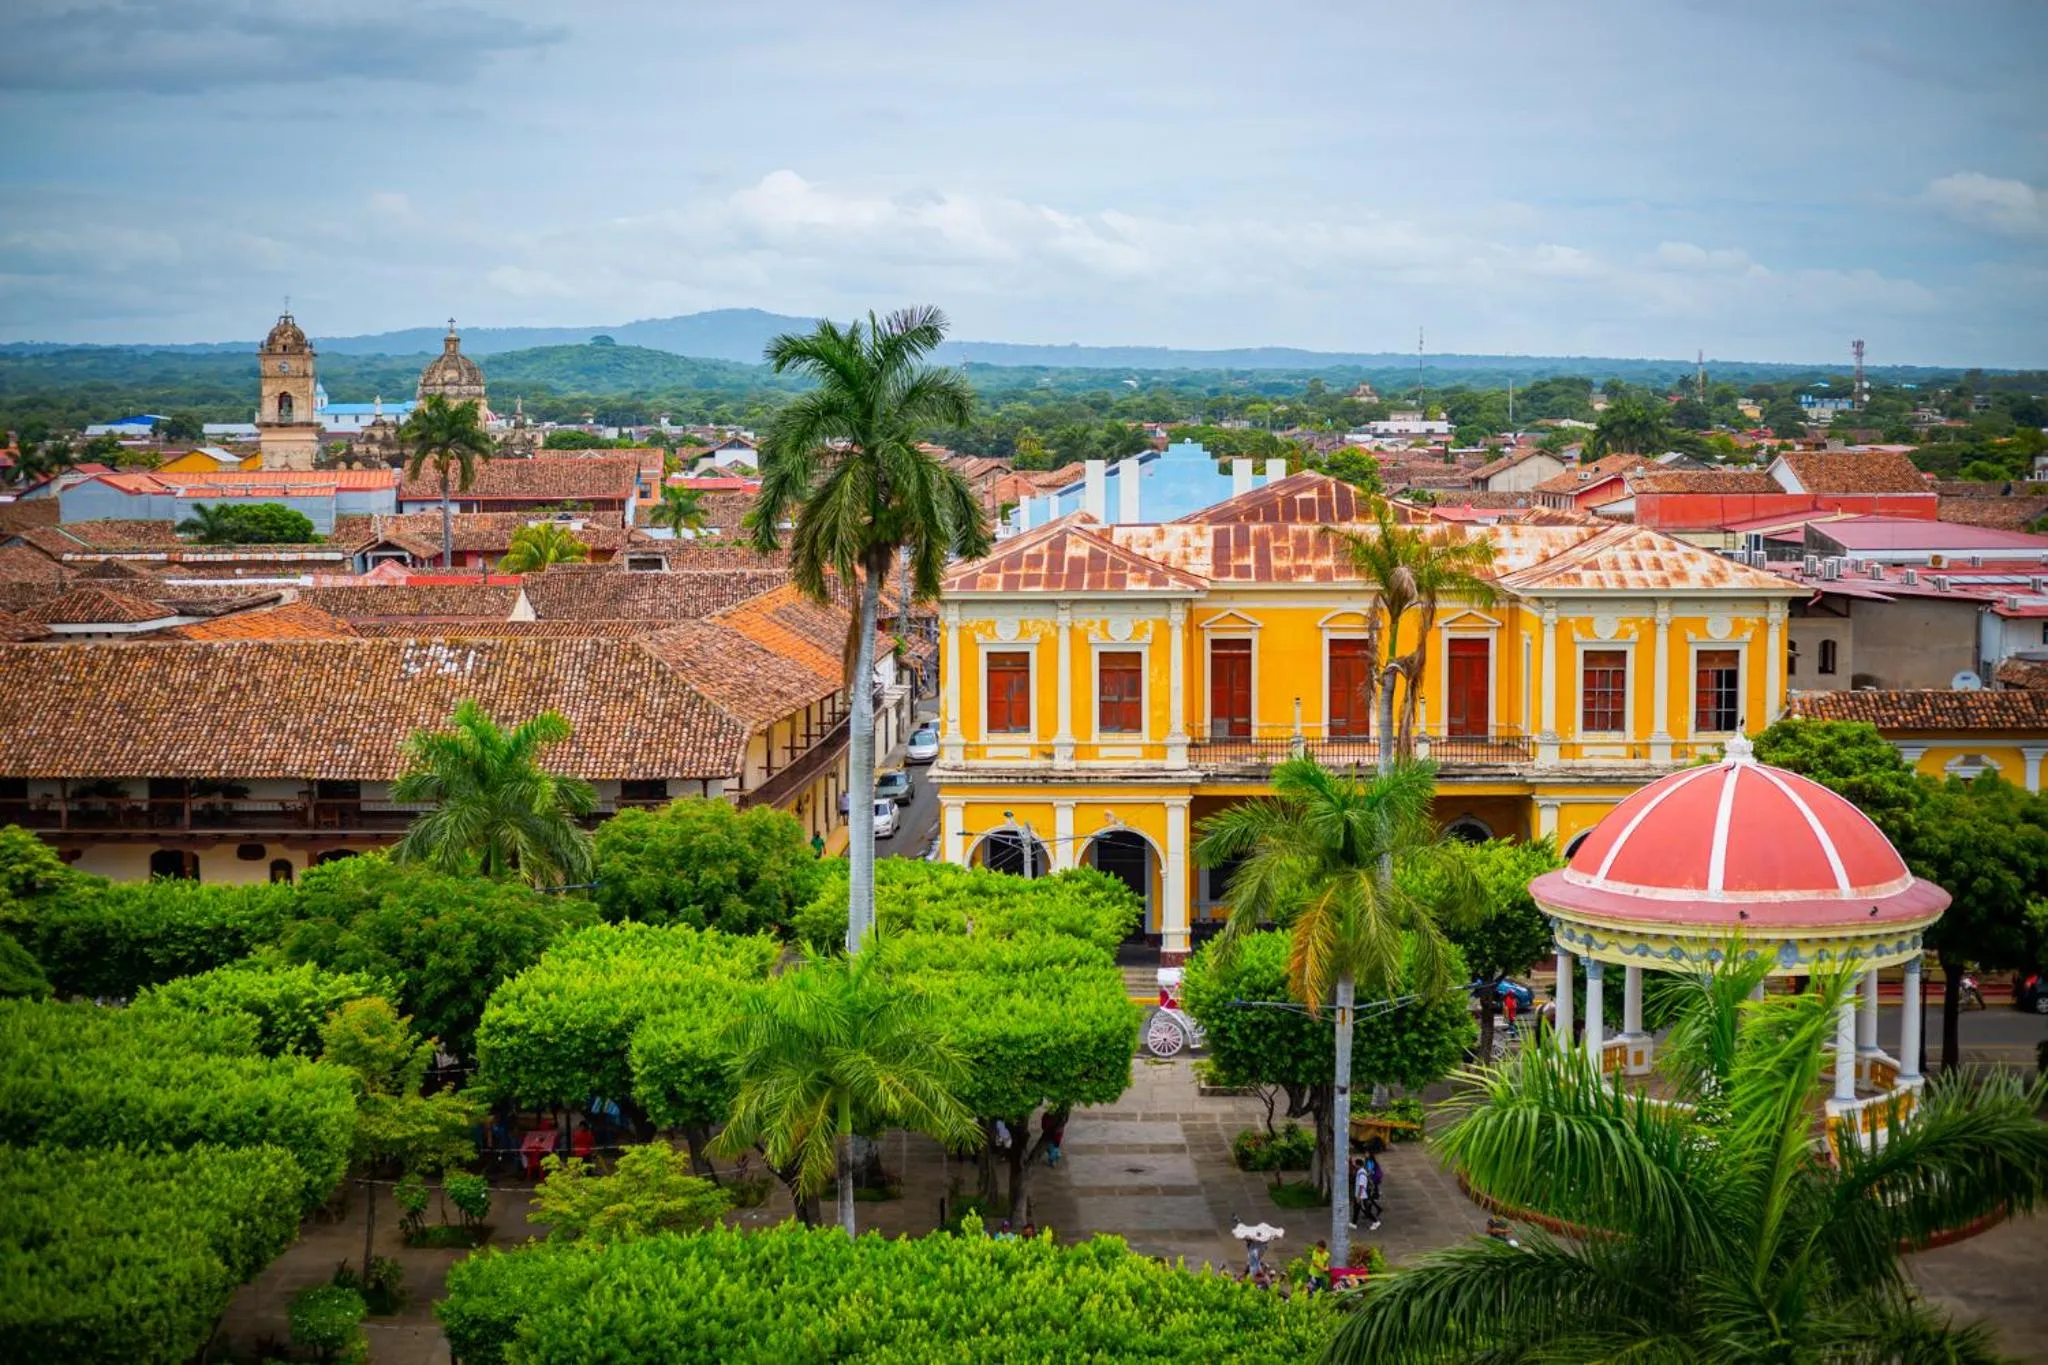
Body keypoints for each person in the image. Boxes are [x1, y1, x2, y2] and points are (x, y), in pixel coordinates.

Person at [1361, 1152, 1384, 1231]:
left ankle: (1370, 1212)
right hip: (1370, 1182)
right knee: (1369, 1198)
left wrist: (1365, 1175)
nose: (1365, 1154)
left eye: (1367, 1153)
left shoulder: (1370, 1162)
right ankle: (1376, 1209)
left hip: (1371, 1182)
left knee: (1368, 1198)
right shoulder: (1368, 1161)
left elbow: (1370, 1171)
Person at [1351, 1157, 1370, 1229]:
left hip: (1361, 1195)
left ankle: (1375, 1221)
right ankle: (1354, 1223)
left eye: (1355, 1164)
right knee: (1356, 1209)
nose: (1354, 1165)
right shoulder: (1361, 1170)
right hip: (1359, 1195)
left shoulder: (1361, 1173)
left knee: (1365, 1209)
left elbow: (1361, 1186)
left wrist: (1358, 1197)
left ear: (1358, 1165)